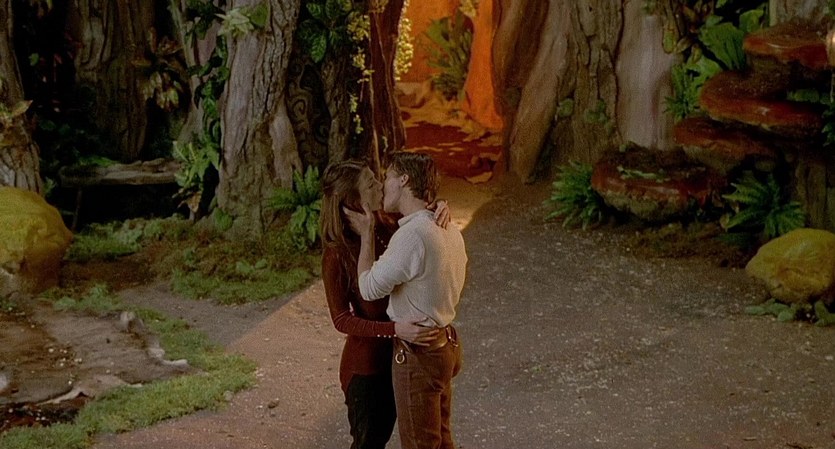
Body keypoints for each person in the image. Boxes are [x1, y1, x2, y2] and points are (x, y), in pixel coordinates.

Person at [320, 159, 449, 449]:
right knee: (370, 442)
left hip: (405, 358)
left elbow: (419, 217)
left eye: (379, 179)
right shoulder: (337, 254)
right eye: (371, 184)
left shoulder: (390, 227)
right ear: (353, 201)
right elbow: (341, 320)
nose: (381, 186)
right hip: (368, 370)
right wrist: (394, 330)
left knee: (425, 435)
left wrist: (440, 207)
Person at [346, 152, 468, 449]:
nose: (383, 185)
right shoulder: (448, 228)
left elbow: (368, 288)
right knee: (442, 441)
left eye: (387, 177)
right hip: (445, 343)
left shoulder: (412, 236)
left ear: (404, 180)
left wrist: (366, 236)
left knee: (419, 443)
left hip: (419, 354)